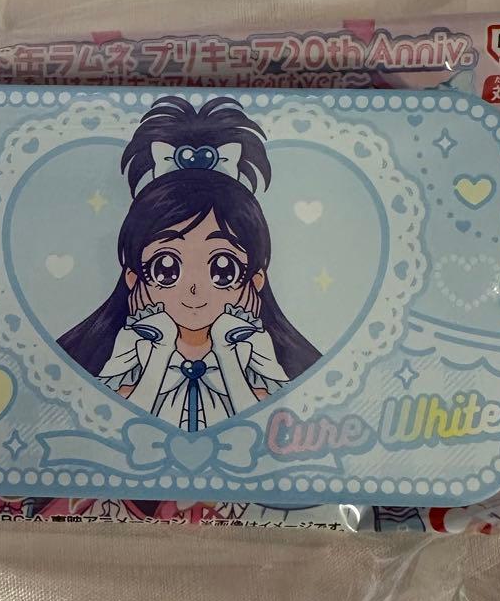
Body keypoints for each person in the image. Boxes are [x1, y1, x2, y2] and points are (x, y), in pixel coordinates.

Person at [58, 96, 320, 432]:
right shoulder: (127, 351)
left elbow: (264, 432)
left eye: (222, 269)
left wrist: (229, 352)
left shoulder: (257, 353)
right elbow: (116, 431)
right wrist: (157, 350)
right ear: (133, 278)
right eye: (166, 268)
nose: (194, 289)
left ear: (255, 281)